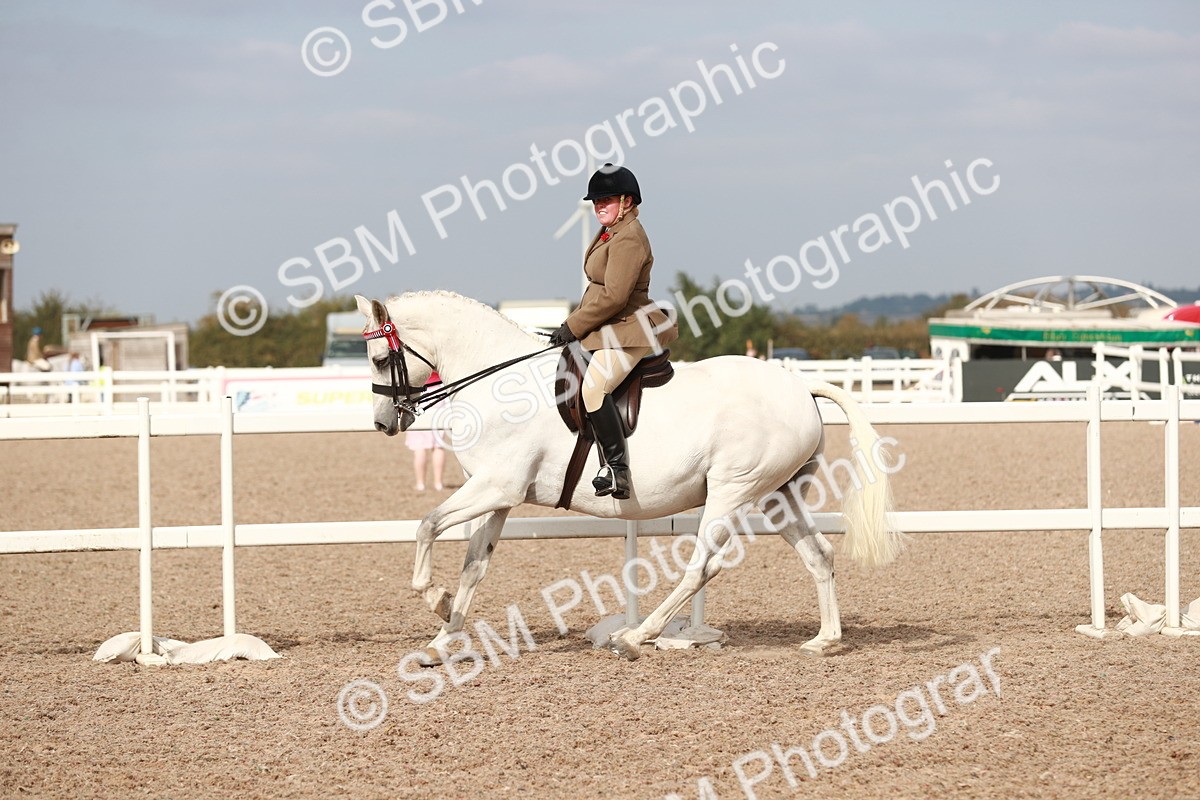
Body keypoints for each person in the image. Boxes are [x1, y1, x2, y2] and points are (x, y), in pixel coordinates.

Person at [548, 163, 678, 499]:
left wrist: (573, 324)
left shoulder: (630, 238)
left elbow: (615, 296)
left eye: (606, 200)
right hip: (607, 327)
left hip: (628, 328)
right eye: (596, 201)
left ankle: (618, 469)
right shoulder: (611, 232)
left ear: (628, 201)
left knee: (593, 389)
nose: (598, 206)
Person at [405, 372, 446, 491]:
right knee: (438, 444)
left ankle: (420, 483)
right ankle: (438, 483)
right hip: (438, 390)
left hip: (418, 390)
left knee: (419, 445)